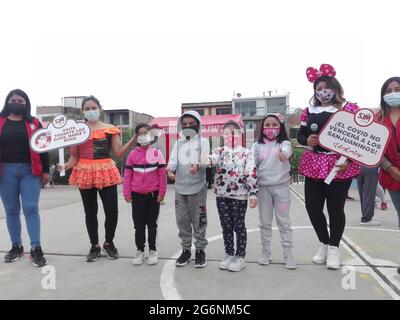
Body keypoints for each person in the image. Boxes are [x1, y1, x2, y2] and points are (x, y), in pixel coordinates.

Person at [297, 64, 360, 270]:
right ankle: (324, 243)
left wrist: (349, 160)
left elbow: (358, 139)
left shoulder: (348, 109)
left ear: (335, 87)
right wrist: (308, 141)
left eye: (326, 87)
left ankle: (334, 248)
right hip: (315, 163)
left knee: (335, 209)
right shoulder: (309, 111)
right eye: (318, 89)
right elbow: (301, 135)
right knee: (312, 207)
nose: (322, 92)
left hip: (339, 164)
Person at [59, 95, 137, 262]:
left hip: (105, 171)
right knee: (90, 211)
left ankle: (109, 243)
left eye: (93, 107)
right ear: (83, 111)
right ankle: (94, 245)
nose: (91, 111)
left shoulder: (110, 129)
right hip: (85, 171)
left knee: (111, 210)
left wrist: (133, 139)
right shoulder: (77, 131)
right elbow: (74, 158)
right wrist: (65, 166)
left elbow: (118, 153)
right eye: (87, 109)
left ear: (99, 108)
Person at [0, 89, 49, 267]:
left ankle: (36, 248)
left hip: (30, 171)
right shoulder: (0, 121)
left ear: (26, 104)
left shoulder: (34, 123)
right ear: (7, 102)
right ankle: (16, 246)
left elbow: (44, 147)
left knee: (31, 209)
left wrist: (45, 172)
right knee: (11, 210)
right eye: (13, 100)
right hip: (5, 171)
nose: (17, 103)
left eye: (21, 101)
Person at [208, 121, 257, 272]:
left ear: (240, 134)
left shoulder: (246, 152)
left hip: (240, 195)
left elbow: (251, 171)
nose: (231, 136)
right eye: (227, 133)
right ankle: (229, 253)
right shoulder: (219, 150)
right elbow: (211, 159)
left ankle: (240, 256)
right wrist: (203, 159)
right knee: (226, 226)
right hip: (222, 194)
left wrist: (253, 193)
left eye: (234, 132)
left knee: (239, 226)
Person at [166, 110, 210, 268]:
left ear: (198, 125)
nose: (188, 126)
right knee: (182, 220)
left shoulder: (203, 142)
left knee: (199, 219)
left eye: (192, 124)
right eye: (184, 124)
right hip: (180, 187)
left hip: (198, 187)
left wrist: (198, 166)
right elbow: (172, 161)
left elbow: (205, 160)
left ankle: (200, 250)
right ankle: (186, 250)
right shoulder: (178, 144)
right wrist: (170, 170)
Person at [253, 113, 297, 270]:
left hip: (281, 188)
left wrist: (284, 155)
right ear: (262, 127)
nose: (270, 128)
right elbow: (252, 166)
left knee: (284, 221)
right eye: (267, 125)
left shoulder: (284, 143)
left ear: (280, 127)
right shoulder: (257, 146)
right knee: (265, 222)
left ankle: (288, 253)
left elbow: (287, 151)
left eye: (274, 125)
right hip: (263, 188)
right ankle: (266, 251)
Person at [123, 123, 167, 266]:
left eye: (146, 133)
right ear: (136, 137)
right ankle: (140, 250)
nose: (143, 136)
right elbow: (128, 175)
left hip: (153, 196)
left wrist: (162, 193)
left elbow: (161, 175)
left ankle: (153, 250)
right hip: (136, 196)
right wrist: (127, 193)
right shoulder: (132, 155)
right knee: (139, 225)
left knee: (152, 224)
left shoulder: (157, 154)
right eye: (140, 134)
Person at [377, 77, 400, 229]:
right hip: (392, 176)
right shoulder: (378, 119)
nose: (393, 93)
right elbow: (372, 150)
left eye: (397, 90)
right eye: (388, 91)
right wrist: (390, 169)